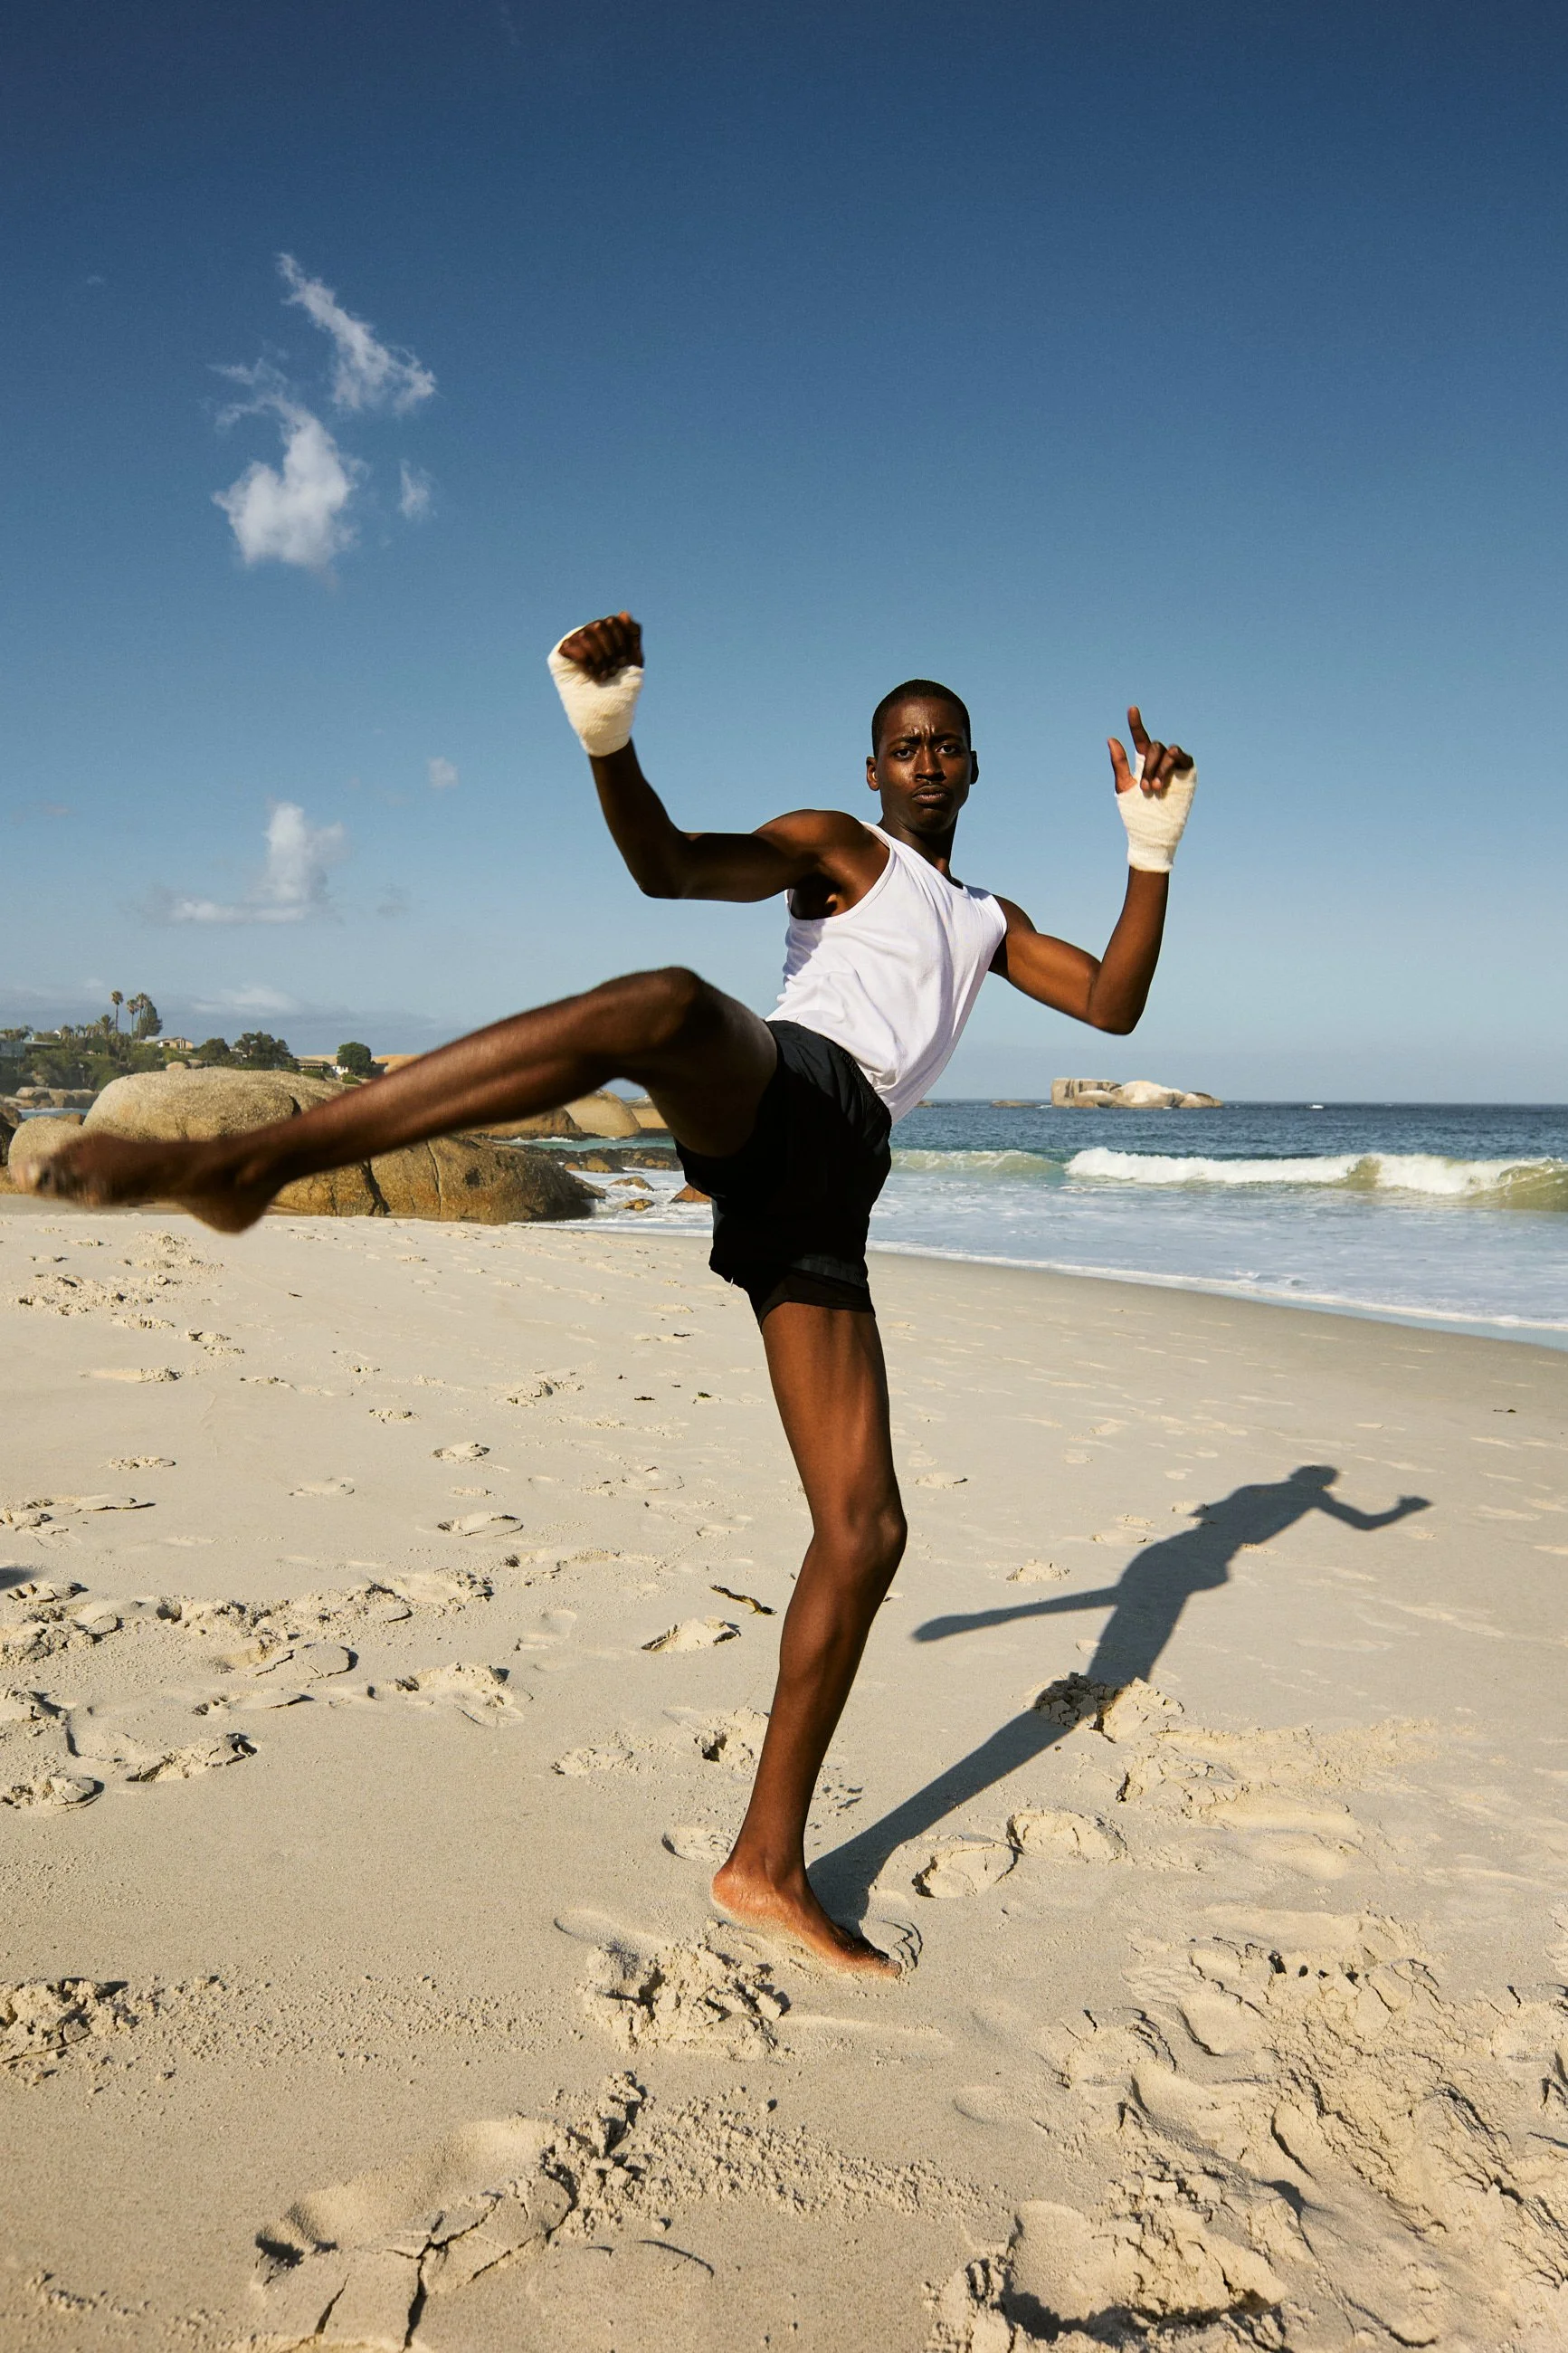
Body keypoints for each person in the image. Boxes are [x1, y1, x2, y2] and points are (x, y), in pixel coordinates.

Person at [22, 613, 1196, 1976]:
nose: (928, 760)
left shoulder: (992, 922)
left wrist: (1151, 846)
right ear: (871, 771)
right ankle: (250, 1160)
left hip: (835, 1176)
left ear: (975, 770)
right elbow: (666, 864)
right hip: (787, 1085)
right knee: (666, 1005)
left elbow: (1112, 1006)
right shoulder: (836, 847)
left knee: (865, 1534)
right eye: (905, 745)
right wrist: (609, 735)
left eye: (948, 746)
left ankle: (766, 1865)